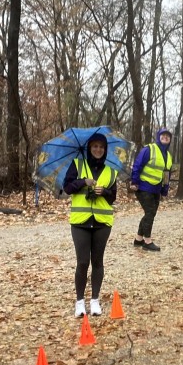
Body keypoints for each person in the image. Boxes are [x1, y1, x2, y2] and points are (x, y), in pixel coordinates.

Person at [63, 132, 118, 317]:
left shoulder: (111, 171)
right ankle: (80, 302)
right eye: (95, 146)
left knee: (98, 261)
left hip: (103, 223)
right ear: (89, 148)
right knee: (83, 262)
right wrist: (82, 182)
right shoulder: (77, 165)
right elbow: (67, 187)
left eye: (101, 147)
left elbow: (113, 198)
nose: (98, 150)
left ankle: (95, 300)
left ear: (105, 150)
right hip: (80, 223)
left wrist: (105, 191)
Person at [129, 127, 173, 252]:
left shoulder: (168, 155)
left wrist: (165, 189)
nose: (165, 137)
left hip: (156, 189)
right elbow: (138, 164)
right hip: (143, 187)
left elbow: (166, 174)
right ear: (158, 137)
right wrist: (134, 181)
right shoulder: (149, 149)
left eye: (168, 136)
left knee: (151, 213)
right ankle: (147, 241)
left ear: (170, 140)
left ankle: (138, 239)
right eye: (163, 135)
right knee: (149, 213)